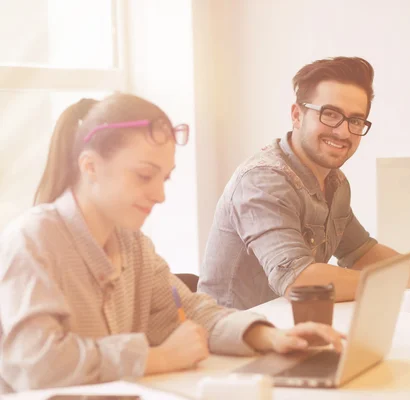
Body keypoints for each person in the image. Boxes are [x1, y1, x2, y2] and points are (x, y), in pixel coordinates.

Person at [0, 93, 343, 394]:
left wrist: (270, 338)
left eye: (164, 178)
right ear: (90, 166)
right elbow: (35, 365)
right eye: (144, 176)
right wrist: (154, 358)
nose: (160, 195)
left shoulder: (133, 244)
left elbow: (188, 311)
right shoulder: (33, 241)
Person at [199, 57, 410, 310]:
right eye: (330, 114)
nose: (343, 131)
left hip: (293, 330)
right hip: (234, 344)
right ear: (297, 115)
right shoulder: (262, 181)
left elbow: (360, 252)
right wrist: (404, 281)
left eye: (356, 120)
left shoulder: (334, 180)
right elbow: (298, 282)